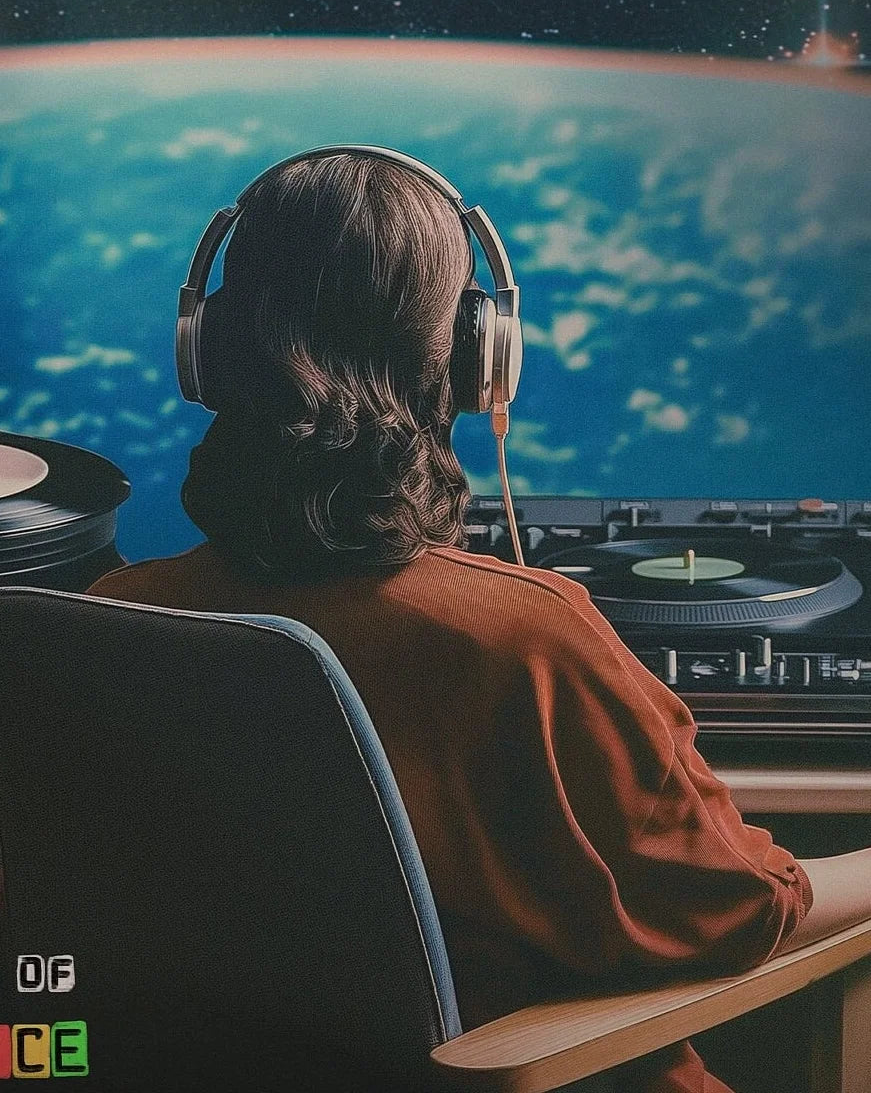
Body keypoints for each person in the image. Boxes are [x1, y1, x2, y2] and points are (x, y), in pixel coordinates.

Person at [88, 149, 871, 1093]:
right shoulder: (522, 638)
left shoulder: (108, 627)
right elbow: (737, 911)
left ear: (208, 351)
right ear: (475, 359)